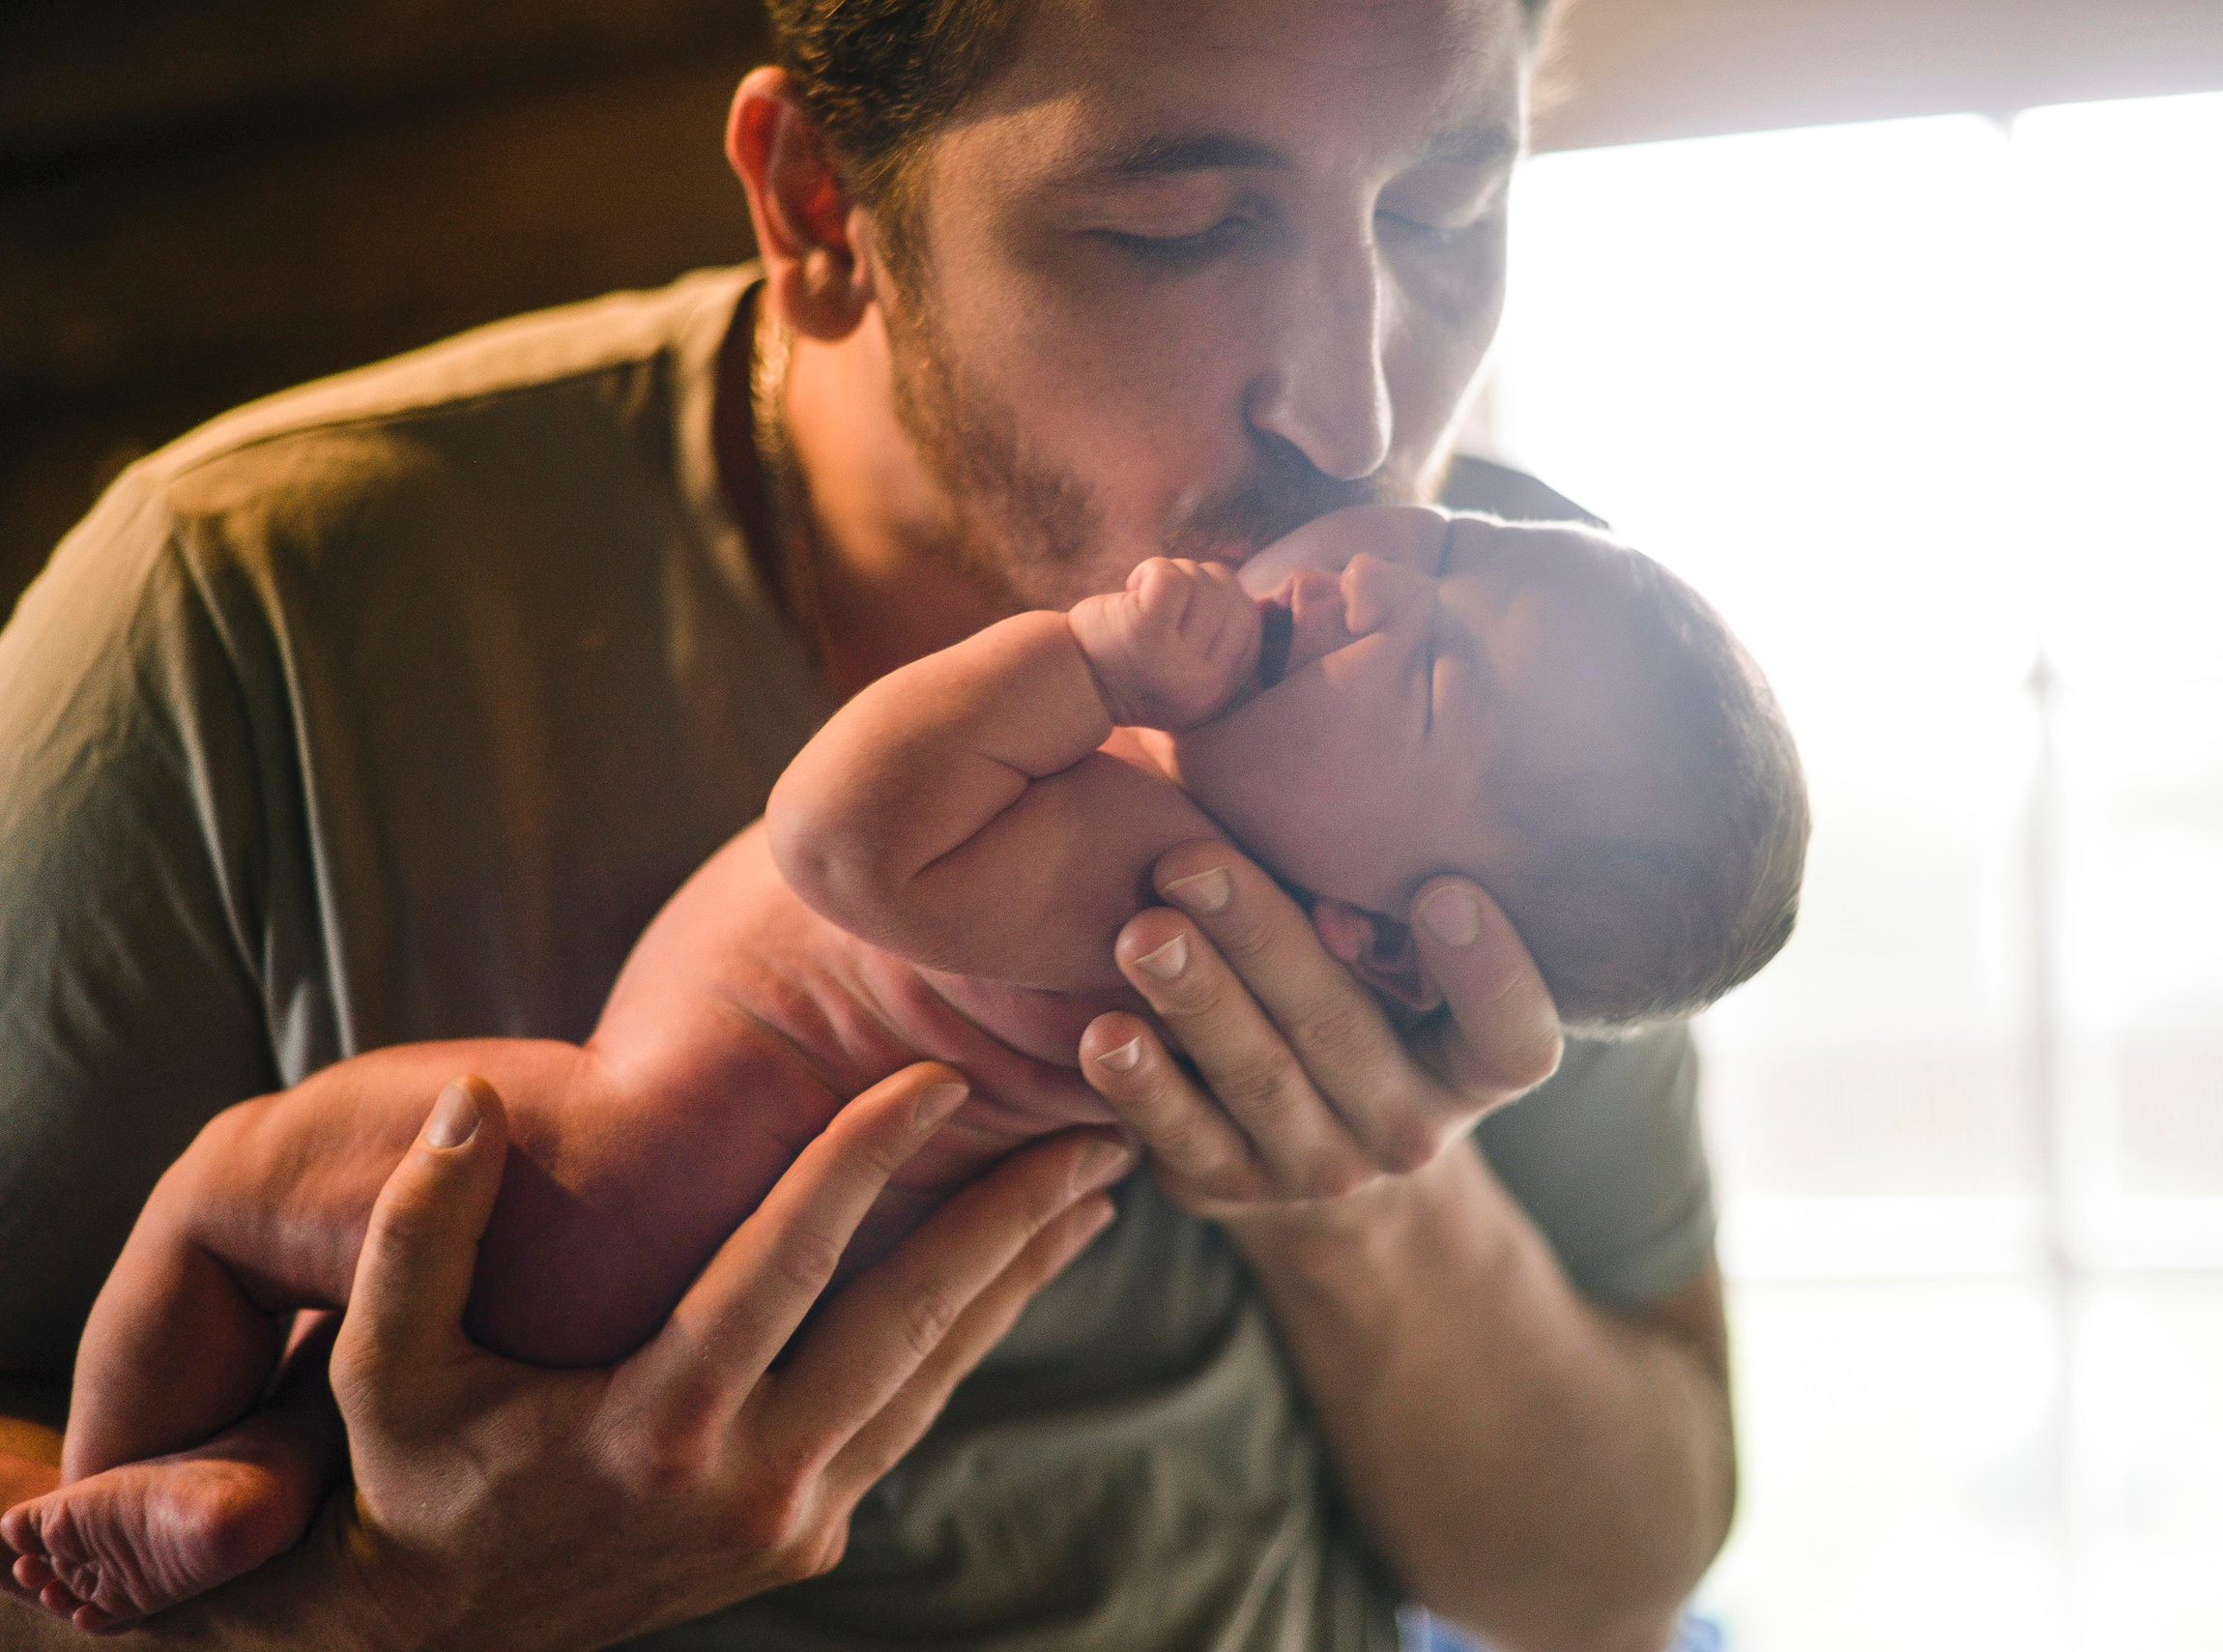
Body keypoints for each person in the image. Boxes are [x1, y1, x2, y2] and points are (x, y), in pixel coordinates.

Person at [0, 1, 1746, 1647]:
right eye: (1178, 229)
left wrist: (1360, 1200)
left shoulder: (1512, 696)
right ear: (823, 206)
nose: (1357, 420)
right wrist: (359, 1614)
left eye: (1447, 212)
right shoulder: (243, 606)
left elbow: (1610, 1574)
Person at [9, 506, 1805, 1629]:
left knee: (233, 1189)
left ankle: (122, 1498)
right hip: (653, 1243)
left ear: (1395, 947)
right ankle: (227, 1490)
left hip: (625, 1170)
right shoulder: (1205, 838)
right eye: (1465, 551)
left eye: (1430, 689)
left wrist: (1090, 653)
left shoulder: (1157, 876)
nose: (1381, 584)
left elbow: (847, 835)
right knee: (306, 1339)